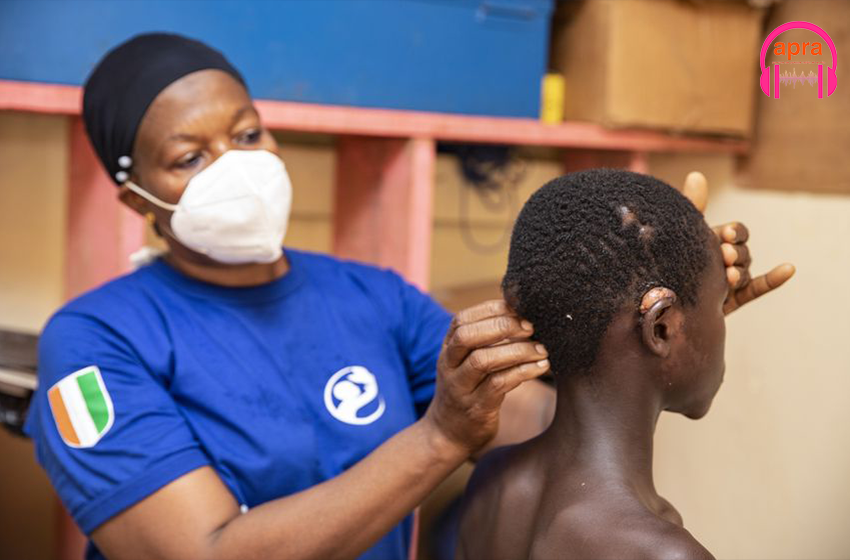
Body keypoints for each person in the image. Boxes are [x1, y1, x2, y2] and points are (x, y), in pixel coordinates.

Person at [22, 32, 778, 560]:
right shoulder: (95, 343)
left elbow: (541, 411)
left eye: (248, 135)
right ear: (134, 198)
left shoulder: (369, 297)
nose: (234, 167)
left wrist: (664, 320)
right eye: (191, 156)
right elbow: (202, 552)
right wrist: (438, 440)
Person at [455, 170, 795, 560]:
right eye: (721, 304)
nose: (724, 321)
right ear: (662, 328)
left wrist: (691, 279)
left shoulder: (494, 480)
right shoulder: (661, 553)